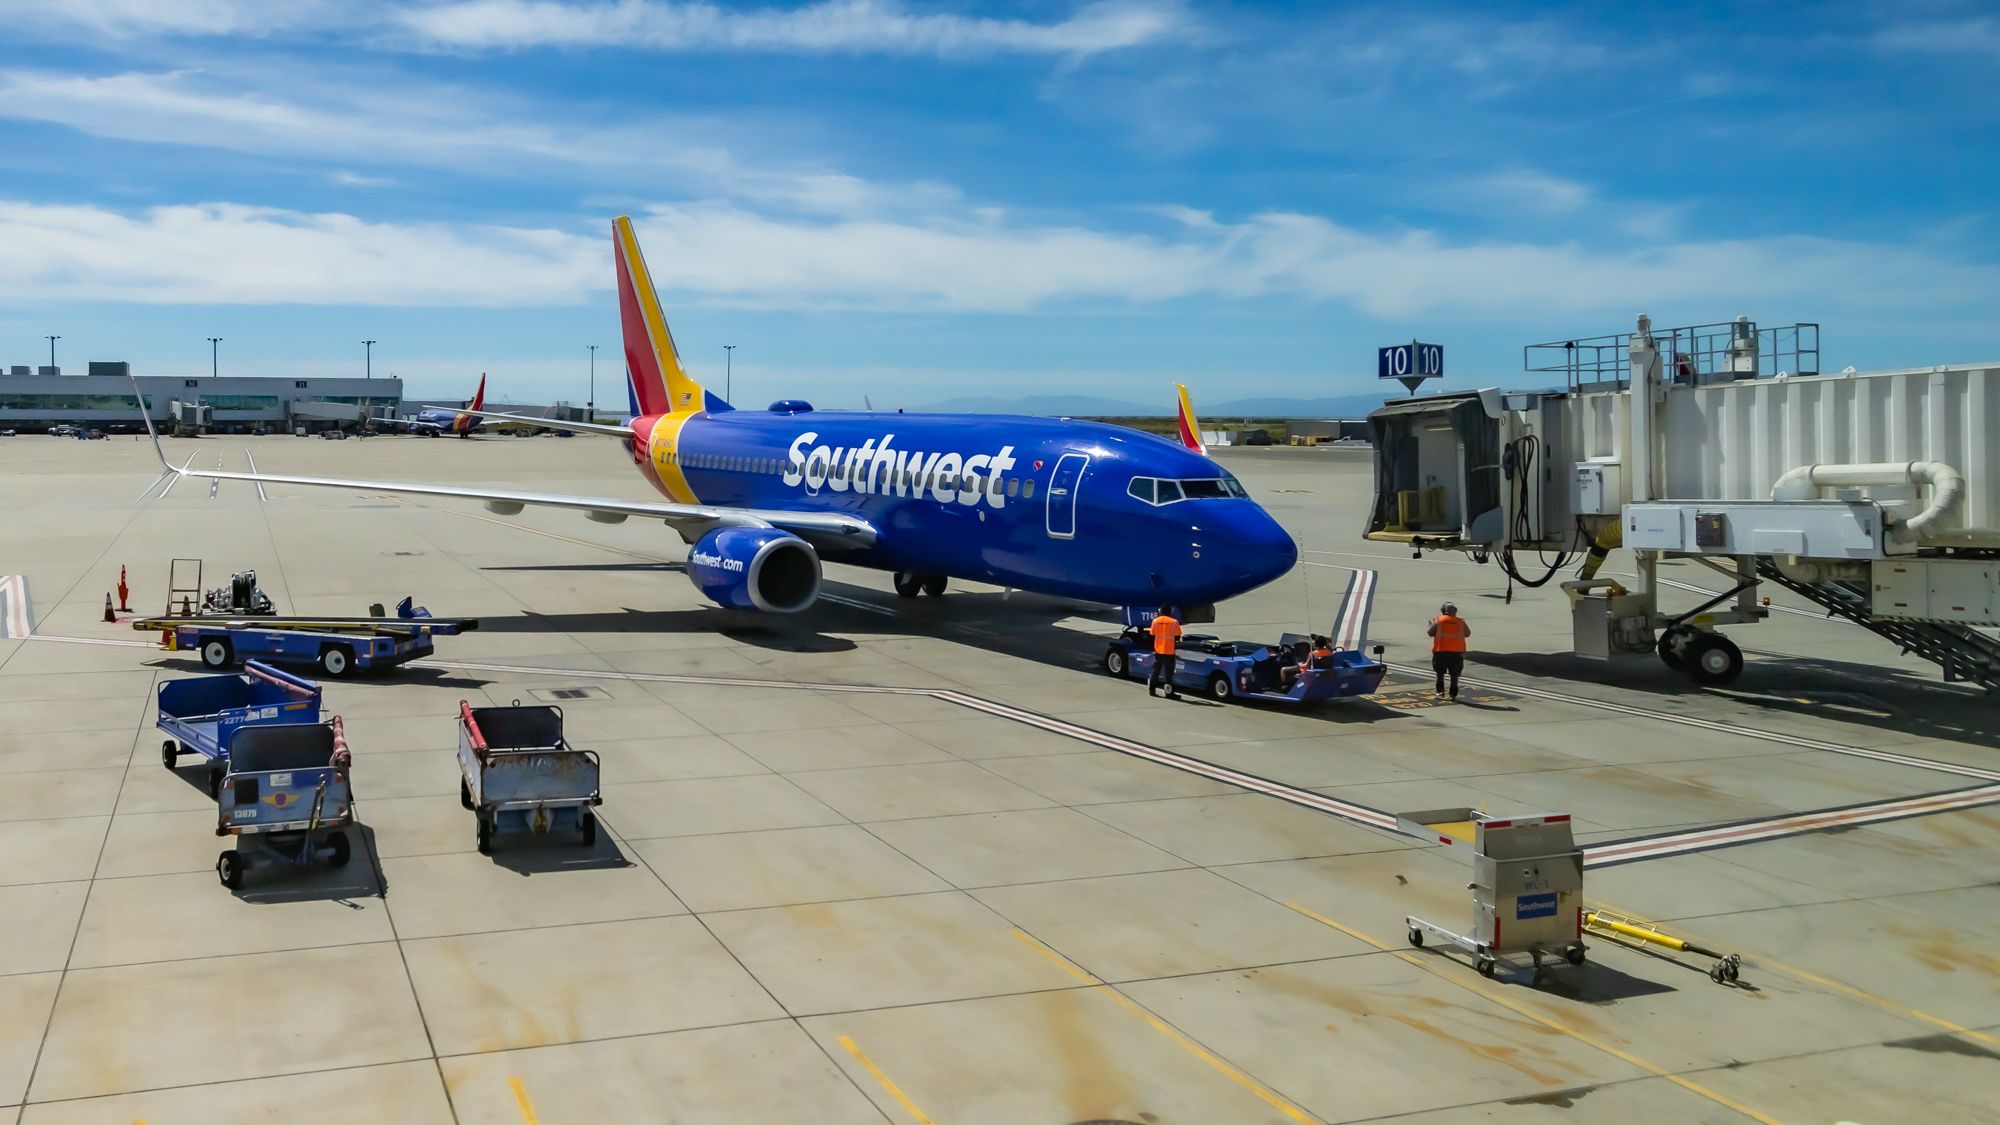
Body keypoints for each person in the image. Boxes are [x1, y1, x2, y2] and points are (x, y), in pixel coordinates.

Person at [1427, 602, 1470, 700]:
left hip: (1441, 652)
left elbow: (1430, 633)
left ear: (1443, 611)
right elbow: (1468, 633)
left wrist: (1430, 625)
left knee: (1440, 674)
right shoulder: (1461, 622)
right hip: (1457, 653)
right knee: (1454, 676)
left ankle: (1440, 693)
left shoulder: (1439, 620)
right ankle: (1453, 694)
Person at [1147, 605, 1182, 699]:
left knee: (1156, 670)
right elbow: (1177, 637)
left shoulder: (1155, 621)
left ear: (1160, 611)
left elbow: (1152, 635)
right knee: (1168, 673)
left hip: (1158, 650)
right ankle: (1169, 693)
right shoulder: (1174, 622)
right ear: (1171, 612)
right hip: (1169, 651)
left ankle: (1152, 689)